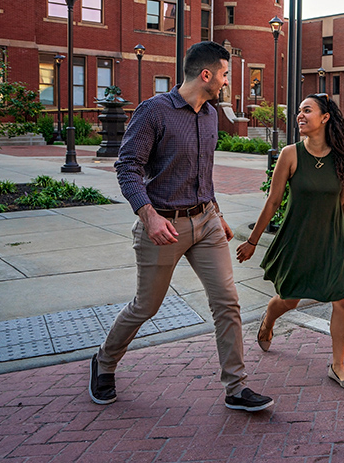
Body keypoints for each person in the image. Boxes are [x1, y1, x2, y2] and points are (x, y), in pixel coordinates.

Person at [90, 41, 273, 413]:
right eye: (223, 74)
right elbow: (127, 168)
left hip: (205, 223)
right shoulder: (153, 112)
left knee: (227, 302)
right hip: (163, 226)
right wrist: (148, 215)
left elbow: (202, 173)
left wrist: (217, 213)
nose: (226, 82)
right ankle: (104, 362)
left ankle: (236, 387)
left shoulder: (209, 114)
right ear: (205, 74)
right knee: (146, 306)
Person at [236, 94, 344, 389]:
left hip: (333, 240)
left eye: (307, 110)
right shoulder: (290, 155)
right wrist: (253, 241)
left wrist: (343, 242)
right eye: (299, 111)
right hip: (299, 238)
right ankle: (268, 320)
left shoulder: (343, 157)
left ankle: (338, 365)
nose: (300, 116)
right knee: (289, 299)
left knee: (342, 300)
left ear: (325, 117)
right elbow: (273, 201)